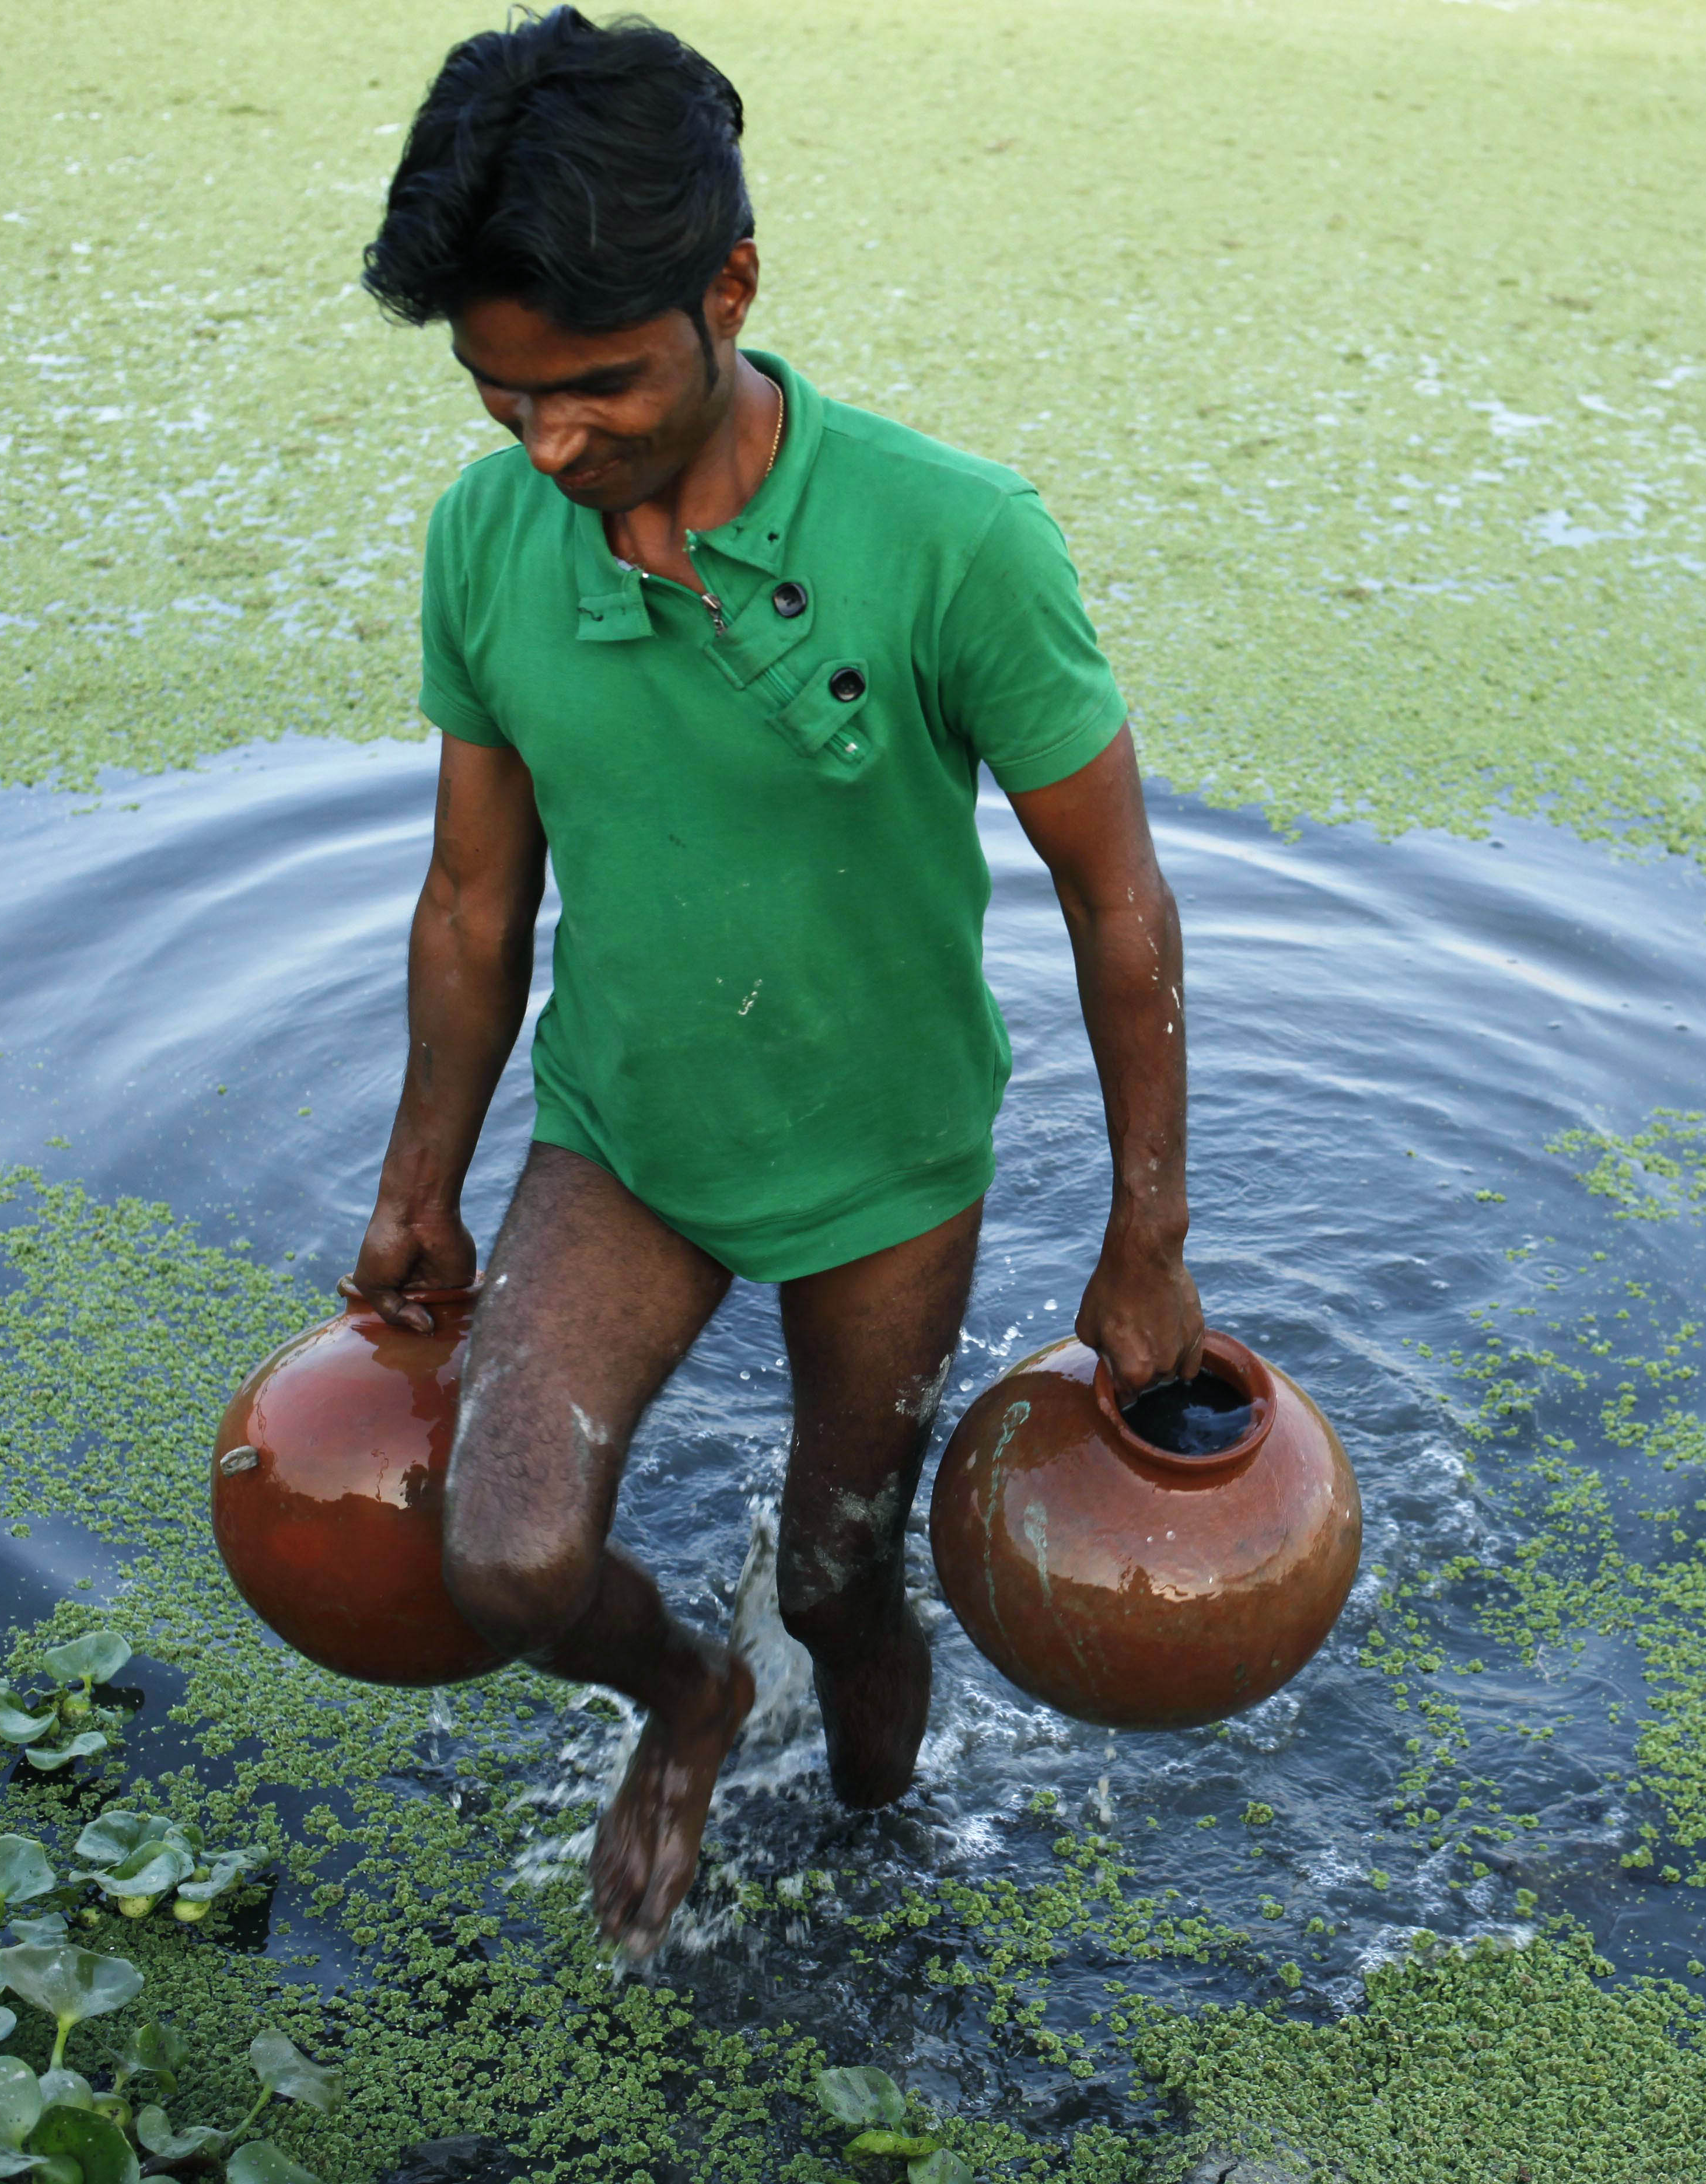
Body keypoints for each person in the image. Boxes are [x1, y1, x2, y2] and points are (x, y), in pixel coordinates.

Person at [342, 8, 1202, 1960]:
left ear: (729, 283)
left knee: (843, 1581)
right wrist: (421, 1184)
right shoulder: (491, 542)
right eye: (501, 397)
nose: (551, 443)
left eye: (600, 389)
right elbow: (476, 907)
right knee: (507, 1556)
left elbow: (1120, 901)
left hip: (884, 1165)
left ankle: (879, 1880)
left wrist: (1149, 1243)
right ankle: (686, 1698)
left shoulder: (954, 537)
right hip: (629, 1133)